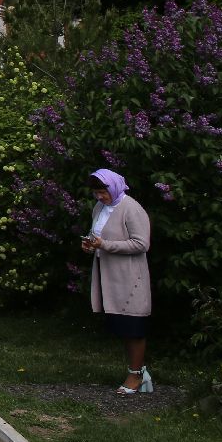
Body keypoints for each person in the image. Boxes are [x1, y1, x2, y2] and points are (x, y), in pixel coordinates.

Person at [83, 168, 153, 394]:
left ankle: (136, 375)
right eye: (96, 193)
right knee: (123, 326)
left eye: (103, 192)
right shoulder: (99, 207)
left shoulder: (131, 208)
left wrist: (104, 245)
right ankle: (137, 371)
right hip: (110, 275)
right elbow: (98, 235)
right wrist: (90, 245)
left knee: (133, 326)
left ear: (114, 187)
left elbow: (141, 244)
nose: (99, 196)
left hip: (130, 276)